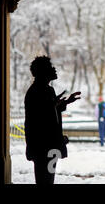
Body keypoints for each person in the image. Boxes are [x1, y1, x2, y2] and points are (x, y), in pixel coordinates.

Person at [24, 56, 81, 184]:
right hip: (44, 147)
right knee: (46, 180)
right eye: (50, 67)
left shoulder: (43, 90)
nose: (54, 69)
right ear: (43, 72)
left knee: (47, 179)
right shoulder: (40, 91)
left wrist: (62, 103)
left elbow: (47, 112)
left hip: (45, 147)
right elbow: (44, 120)